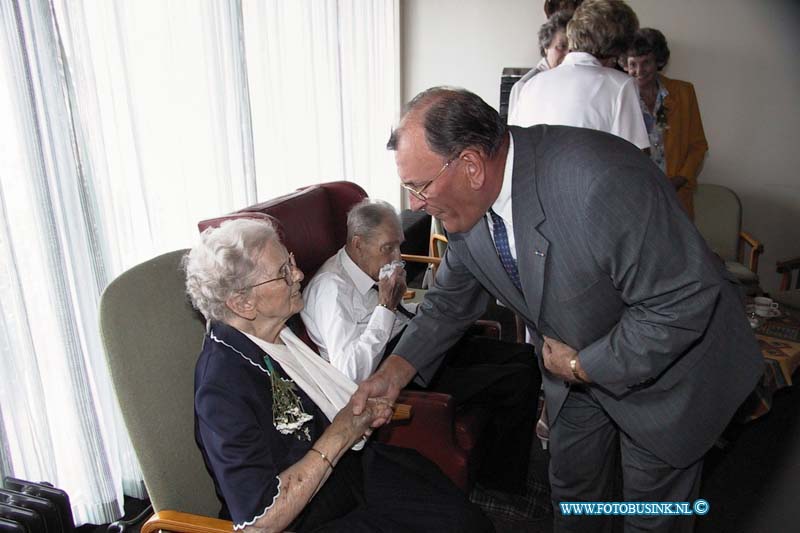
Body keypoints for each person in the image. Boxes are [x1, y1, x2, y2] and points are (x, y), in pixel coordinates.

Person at [352, 87, 763, 532]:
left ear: (470, 165)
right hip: (574, 367)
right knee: (572, 493)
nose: (414, 204)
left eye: (419, 186)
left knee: (649, 515)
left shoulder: (598, 181)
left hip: (665, 368)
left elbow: (681, 303)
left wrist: (584, 364)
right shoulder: (464, 210)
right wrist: (390, 375)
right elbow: (448, 304)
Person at [185, 217, 492, 533]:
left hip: (346, 474)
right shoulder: (222, 389)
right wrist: (345, 430)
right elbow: (260, 520)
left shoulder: (274, 332)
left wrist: (357, 417)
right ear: (242, 302)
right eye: (283, 273)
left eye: (290, 262)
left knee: (462, 518)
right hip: (312, 515)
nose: (299, 274)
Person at [302, 198, 541, 496]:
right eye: (388, 248)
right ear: (358, 244)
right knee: (516, 380)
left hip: (411, 346)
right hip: (392, 373)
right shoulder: (332, 290)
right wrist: (387, 307)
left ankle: (510, 468)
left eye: (398, 245)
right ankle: (503, 490)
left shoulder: (369, 269)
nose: (397, 257)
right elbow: (349, 372)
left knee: (526, 358)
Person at [509, 0, 649, 151]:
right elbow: (636, 157)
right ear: (618, 48)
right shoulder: (621, 85)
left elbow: (514, 148)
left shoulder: (530, 85)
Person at [623, 28, 709, 220]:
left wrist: (679, 180)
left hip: (676, 196)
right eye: (632, 64)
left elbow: (698, 146)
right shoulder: (620, 99)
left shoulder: (684, 92)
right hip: (635, 198)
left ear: (659, 61)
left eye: (646, 62)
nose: (639, 71)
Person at [507, 10, 573, 118]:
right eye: (561, 47)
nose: (568, 54)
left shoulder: (574, 81)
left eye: (572, 49)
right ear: (546, 47)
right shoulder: (525, 86)